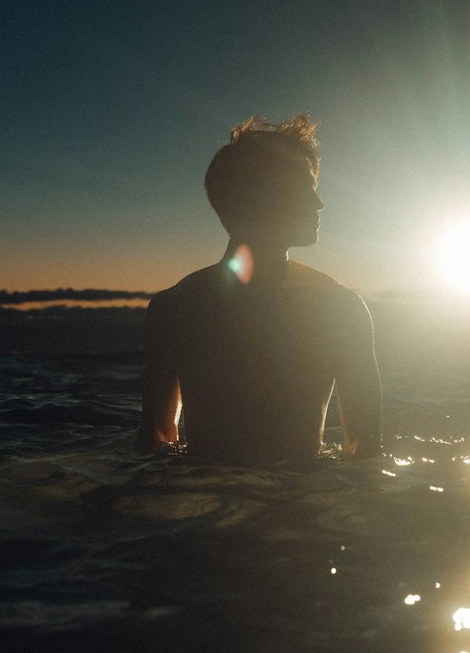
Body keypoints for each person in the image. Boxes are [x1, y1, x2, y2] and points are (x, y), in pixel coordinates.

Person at [135, 115, 381, 463]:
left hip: (199, 503)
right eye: (302, 188)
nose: (318, 203)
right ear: (256, 197)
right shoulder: (338, 308)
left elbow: (155, 443)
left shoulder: (174, 307)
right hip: (306, 503)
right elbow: (365, 452)